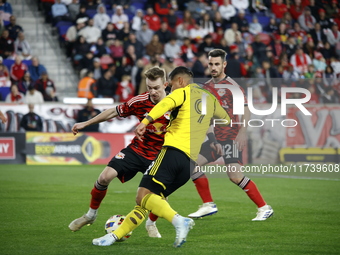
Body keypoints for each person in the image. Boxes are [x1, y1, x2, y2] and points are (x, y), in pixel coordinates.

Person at [91, 66, 230, 247]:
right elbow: (225, 118)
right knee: (148, 202)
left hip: (171, 153)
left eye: (171, 83)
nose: (170, 87)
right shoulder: (207, 99)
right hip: (188, 164)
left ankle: (179, 220)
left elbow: (163, 105)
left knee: (142, 196)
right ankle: (113, 236)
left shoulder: (181, 93)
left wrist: (145, 121)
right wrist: (213, 138)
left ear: (180, 81)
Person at [68, 66, 169, 238]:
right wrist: (85, 123)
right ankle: (91, 215)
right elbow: (113, 112)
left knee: (159, 196)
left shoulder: (176, 104)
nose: (152, 92)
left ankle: (151, 224)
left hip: (160, 156)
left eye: (156, 88)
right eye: (149, 88)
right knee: (104, 177)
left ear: (165, 85)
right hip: (137, 149)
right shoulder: (140, 101)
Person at [188, 49, 274, 221]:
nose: (213, 67)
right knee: (191, 165)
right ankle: (208, 204)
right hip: (215, 138)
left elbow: (246, 109)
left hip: (230, 137)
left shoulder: (233, 87)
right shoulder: (206, 88)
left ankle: (264, 208)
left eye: (217, 64)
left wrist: (243, 131)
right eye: (211, 64)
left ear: (224, 65)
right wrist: (210, 137)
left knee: (235, 176)